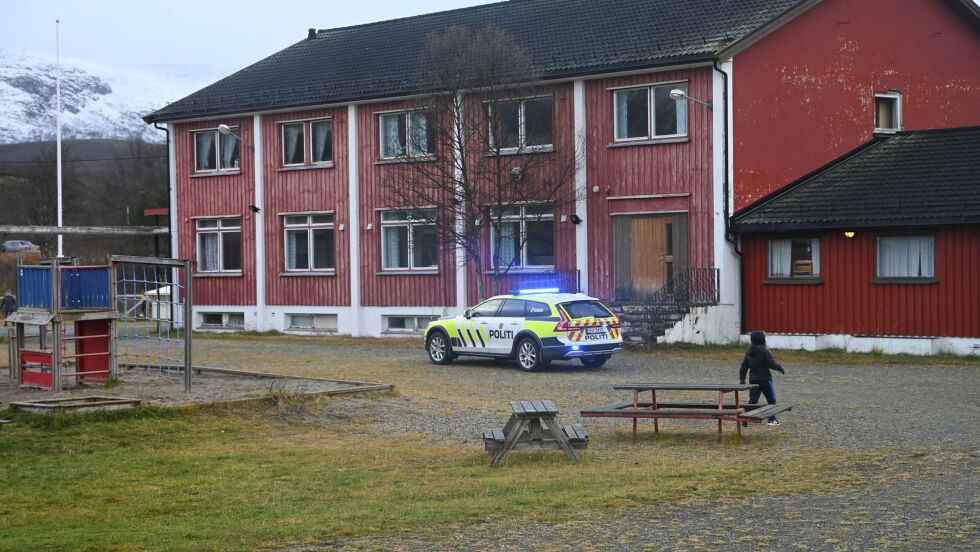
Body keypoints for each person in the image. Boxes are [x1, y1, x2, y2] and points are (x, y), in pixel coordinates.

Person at [739, 330, 785, 426]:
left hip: (753, 380)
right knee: (771, 399)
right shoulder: (764, 351)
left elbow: (743, 367)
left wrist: (742, 379)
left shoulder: (749, 351)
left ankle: (746, 416)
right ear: (762, 339)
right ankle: (772, 419)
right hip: (765, 379)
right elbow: (771, 364)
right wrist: (780, 368)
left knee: (753, 400)